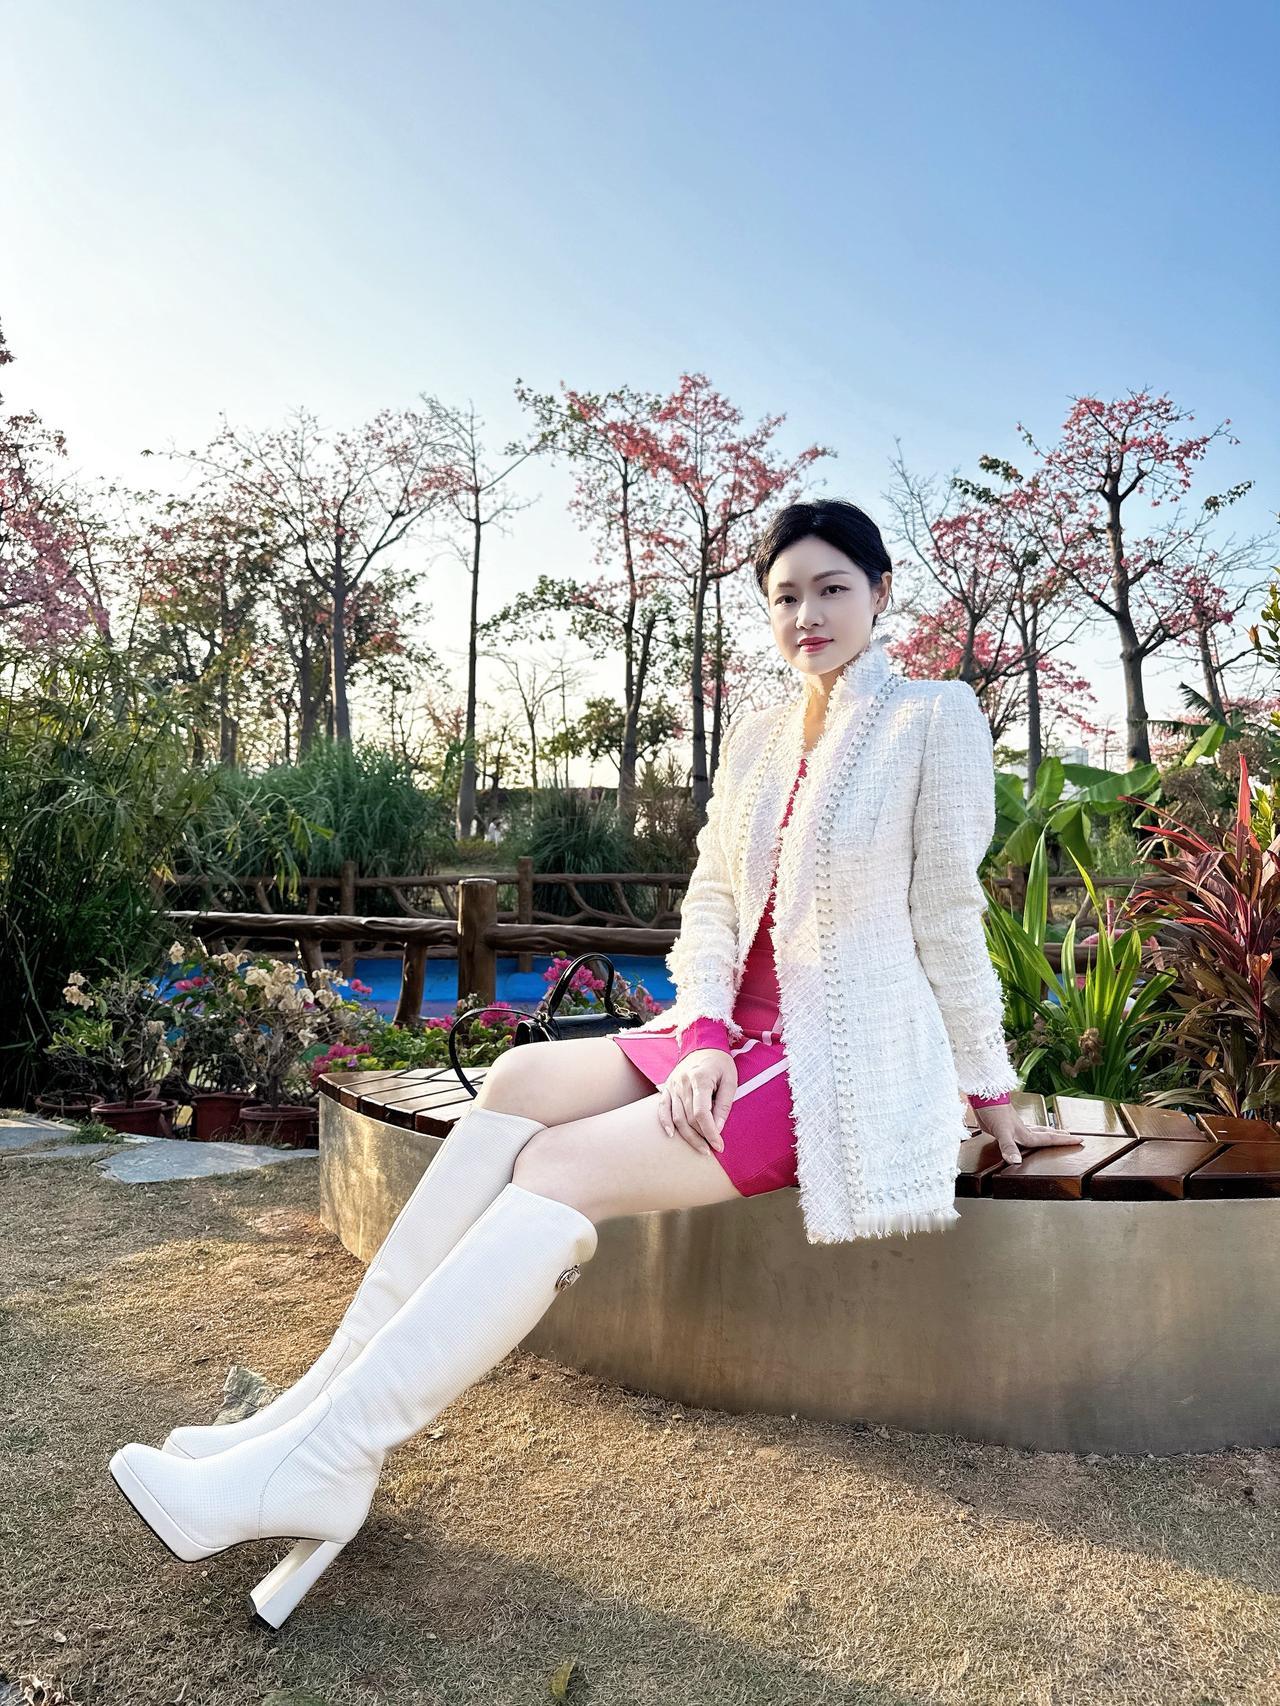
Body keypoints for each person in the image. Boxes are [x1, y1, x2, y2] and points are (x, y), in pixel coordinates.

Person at [109, 498, 1083, 1626]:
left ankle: (332, 1454)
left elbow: (947, 917)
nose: (807, 614)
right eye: (784, 595)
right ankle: (303, 1416)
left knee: (557, 1169)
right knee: (520, 1079)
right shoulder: (761, 735)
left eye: (831, 588)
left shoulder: (930, 718)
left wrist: (987, 1091)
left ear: (880, 592)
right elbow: (712, 904)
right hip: (722, 1033)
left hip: (838, 1055)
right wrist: (703, 1035)